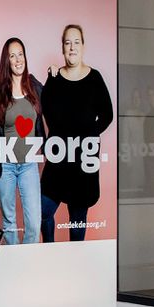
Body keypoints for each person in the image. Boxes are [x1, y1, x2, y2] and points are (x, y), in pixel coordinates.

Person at [39, 23, 113, 242]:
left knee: (78, 220)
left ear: (83, 46)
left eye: (76, 42)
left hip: (83, 163)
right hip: (59, 160)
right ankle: (50, 252)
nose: (72, 47)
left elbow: (107, 115)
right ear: (62, 48)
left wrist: (89, 135)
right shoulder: (54, 79)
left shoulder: (95, 78)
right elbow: (44, 109)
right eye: (67, 42)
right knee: (43, 212)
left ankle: (75, 261)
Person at [0, 37, 44, 244]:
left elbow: (56, 99)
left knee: (34, 223)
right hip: (4, 165)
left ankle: (29, 265)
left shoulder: (34, 85)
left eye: (21, 54)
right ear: (6, 61)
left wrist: (57, 73)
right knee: (9, 223)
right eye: (12, 55)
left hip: (29, 164)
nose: (18, 60)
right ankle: (17, 266)